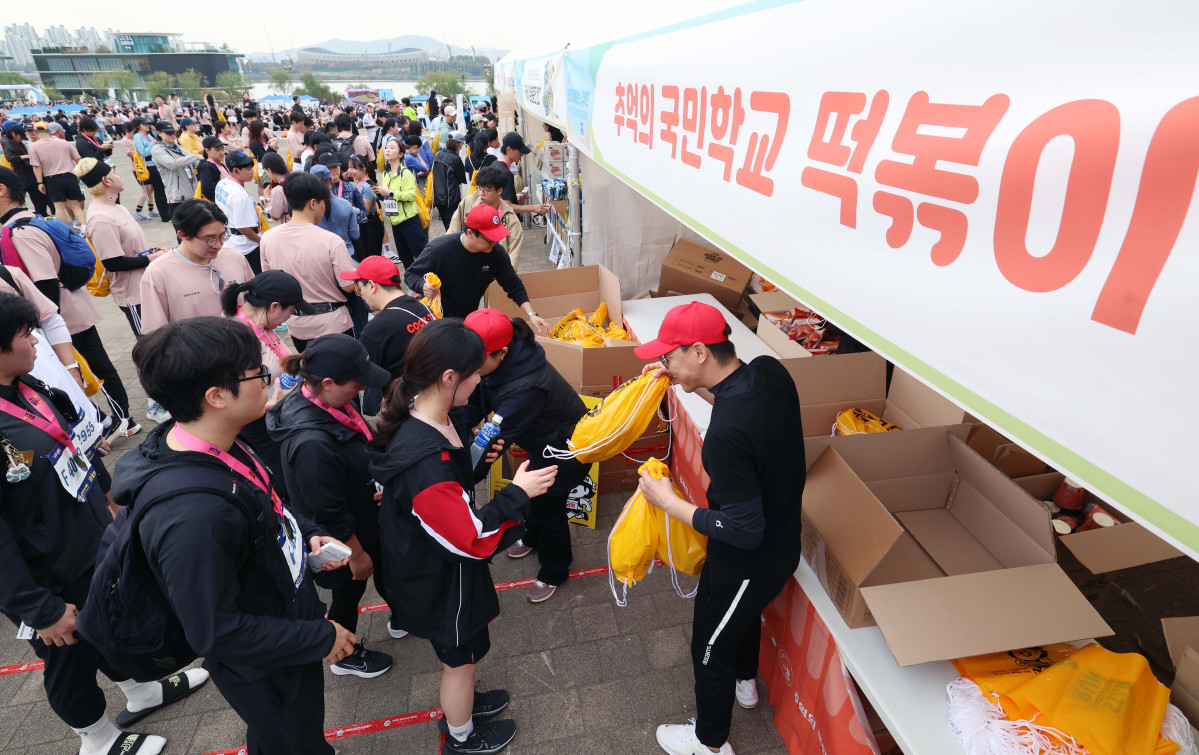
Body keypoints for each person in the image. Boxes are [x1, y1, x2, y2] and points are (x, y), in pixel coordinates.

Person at [121, 316, 356, 755]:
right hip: (264, 661)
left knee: (285, 733)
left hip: (281, 622)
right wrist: (320, 638)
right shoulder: (192, 516)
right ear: (216, 396)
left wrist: (308, 534)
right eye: (257, 373)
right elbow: (215, 631)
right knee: (292, 735)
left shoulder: (219, 439)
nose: (268, 380)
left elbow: (270, 504)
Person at [0, 293, 210, 755]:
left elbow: (72, 446)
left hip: (87, 539)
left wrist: (109, 497)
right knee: (68, 655)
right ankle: (95, 739)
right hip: (44, 573)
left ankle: (141, 691)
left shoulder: (27, 386)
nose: (36, 340)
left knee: (110, 622)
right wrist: (38, 610)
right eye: (24, 333)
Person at [371, 319, 558, 754]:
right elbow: (466, 537)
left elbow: (452, 488)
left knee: (468, 652)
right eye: (475, 372)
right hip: (439, 577)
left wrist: (476, 460)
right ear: (449, 377)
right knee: (458, 664)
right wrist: (517, 494)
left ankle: (466, 704)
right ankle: (461, 735)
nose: (481, 379)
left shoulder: (433, 415)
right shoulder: (425, 462)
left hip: (445, 571)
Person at [632, 302, 805, 755]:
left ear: (699, 351)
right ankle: (746, 682)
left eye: (670, 357)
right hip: (785, 543)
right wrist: (685, 383)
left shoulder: (726, 437)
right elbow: (739, 405)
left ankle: (709, 743)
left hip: (748, 561)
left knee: (707, 647)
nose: (665, 365)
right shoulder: (770, 373)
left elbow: (742, 529)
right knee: (742, 619)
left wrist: (669, 502)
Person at [268, 334, 395, 679]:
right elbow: (329, 511)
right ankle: (343, 654)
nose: (361, 390)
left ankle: (400, 613)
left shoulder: (323, 403)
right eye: (357, 383)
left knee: (378, 572)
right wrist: (356, 554)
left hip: (363, 516)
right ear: (327, 383)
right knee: (348, 590)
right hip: (343, 539)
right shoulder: (312, 444)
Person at [460, 309, 590, 603]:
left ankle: (555, 570)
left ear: (502, 352)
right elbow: (478, 401)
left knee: (548, 506)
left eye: (476, 359)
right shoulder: (499, 360)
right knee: (531, 496)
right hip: (540, 442)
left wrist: (463, 478)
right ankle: (532, 536)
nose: (469, 365)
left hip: (564, 452)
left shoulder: (525, 387)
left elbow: (493, 439)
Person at [0, 166, 136, 436]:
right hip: (71, 309)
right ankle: (113, 418)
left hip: (62, 317)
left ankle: (122, 419)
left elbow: (45, 281)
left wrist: (41, 327)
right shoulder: (31, 219)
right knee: (94, 366)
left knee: (93, 369)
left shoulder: (19, 232)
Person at [404, 204, 547, 330]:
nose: (494, 243)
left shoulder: (495, 252)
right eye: (489, 240)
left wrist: (531, 314)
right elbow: (411, 274)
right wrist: (423, 285)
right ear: (470, 233)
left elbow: (513, 285)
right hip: (436, 319)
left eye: (497, 239)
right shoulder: (439, 250)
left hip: (469, 316)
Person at [260, 172, 356, 352]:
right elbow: (348, 285)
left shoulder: (268, 238)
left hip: (298, 325)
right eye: (324, 203)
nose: (324, 208)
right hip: (334, 323)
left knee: (311, 374)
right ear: (313, 203)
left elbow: (270, 281)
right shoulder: (331, 241)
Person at [73, 158, 166, 339]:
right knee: (151, 346)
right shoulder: (100, 218)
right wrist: (151, 259)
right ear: (106, 181)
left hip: (147, 286)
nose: (119, 175)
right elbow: (113, 263)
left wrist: (154, 251)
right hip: (133, 294)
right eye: (114, 173)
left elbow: (132, 248)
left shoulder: (119, 208)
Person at [139, 199, 255, 337]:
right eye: (210, 239)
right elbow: (154, 334)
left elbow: (254, 302)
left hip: (244, 349)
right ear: (182, 235)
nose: (218, 245)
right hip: (197, 356)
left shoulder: (234, 257)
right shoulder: (158, 274)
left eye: (222, 236)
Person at [343, 255, 434, 411]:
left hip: (405, 405)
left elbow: (366, 376)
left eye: (359, 288)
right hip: (435, 392)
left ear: (371, 285)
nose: (361, 296)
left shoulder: (375, 330)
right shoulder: (424, 308)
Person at [448, 165, 524, 269]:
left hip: (494, 269)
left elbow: (514, 254)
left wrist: (506, 276)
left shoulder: (510, 218)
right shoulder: (468, 203)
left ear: (499, 191)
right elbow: (452, 233)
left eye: (487, 190)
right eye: (479, 188)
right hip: (466, 264)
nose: (481, 194)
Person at [375, 138, 423, 267]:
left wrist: (390, 193)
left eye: (392, 147)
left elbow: (412, 195)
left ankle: (428, 283)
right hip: (395, 222)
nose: (388, 150)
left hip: (409, 221)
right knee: (405, 258)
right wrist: (379, 192)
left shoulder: (405, 173)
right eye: (386, 147)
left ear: (401, 154)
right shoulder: (385, 173)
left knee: (420, 256)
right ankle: (412, 283)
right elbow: (386, 195)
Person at [214, 150, 264, 274]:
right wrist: (262, 242)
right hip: (247, 246)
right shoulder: (240, 196)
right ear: (236, 170)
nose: (252, 172)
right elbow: (243, 227)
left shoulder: (222, 183)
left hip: (232, 240)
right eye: (248, 169)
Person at [27, 122, 84, 226]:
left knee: (59, 207)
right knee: (76, 206)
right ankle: (85, 228)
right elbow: (78, 159)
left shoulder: (33, 147)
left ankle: (63, 231)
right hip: (70, 177)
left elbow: (36, 166)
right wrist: (79, 174)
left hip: (53, 179)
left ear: (35, 132)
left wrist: (40, 182)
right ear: (49, 131)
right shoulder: (63, 142)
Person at [149, 121, 200, 223]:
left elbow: (196, 163)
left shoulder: (179, 148)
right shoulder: (157, 149)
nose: (172, 135)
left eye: (174, 132)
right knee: (184, 234)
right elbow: (173, 164)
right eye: (169, 133)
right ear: (159, 133)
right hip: (177, 198)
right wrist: (196, 156)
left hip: (192, 195)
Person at [309, 163, 359, 259]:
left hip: (320, 257)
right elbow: (355, 235)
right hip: (347, 254)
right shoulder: (346, 204)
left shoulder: (308, 209)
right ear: (331, 180)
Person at [495, 132, 549, 219]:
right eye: (520, 151)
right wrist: (533, 208)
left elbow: (500, 199)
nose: (522, 155)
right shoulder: (506, 173)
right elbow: (507, 206)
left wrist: (514, 197)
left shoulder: (495, 164)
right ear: (508, 149)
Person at [2, 123, 49, 216]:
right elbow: (12, 159)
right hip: (22, 174)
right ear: (13, 134)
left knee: (38, 197)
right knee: (28, 197)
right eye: (20, 136)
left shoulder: (17, 142)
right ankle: (39, 214)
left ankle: (41, 214)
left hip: (27, 173)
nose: (22, 138)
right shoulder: (7, 142)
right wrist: (27, 156)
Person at [121, 120, 158, 220]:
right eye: (132, 132)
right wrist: (139, 149)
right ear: (127, 131)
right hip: (138, 168)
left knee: (151, 188)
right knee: (146, 189)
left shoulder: (141, 137)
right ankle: (138, 210)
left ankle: (151, 209)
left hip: (146, 165)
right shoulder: (125, 141)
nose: (134, 134)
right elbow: (131, 154)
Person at [432, 137, 466, 231]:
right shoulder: (455, 159)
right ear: (458, 145)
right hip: (451, 198)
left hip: (438, 197)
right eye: (461, 145)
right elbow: (462, 178)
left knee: (447, 226)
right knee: (454, 227)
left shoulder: (437, 155)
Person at [196, 135, 230, 202]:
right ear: (207, 150)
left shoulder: (219, 163)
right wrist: (222, 202)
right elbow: (207, 190)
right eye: (217, 150)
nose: (222, 152)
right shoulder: (206, 166)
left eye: (222, 149)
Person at [260, 152, 290, 224]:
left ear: (269, 170)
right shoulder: (295, 178)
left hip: (290, 225)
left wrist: (268, 197)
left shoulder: (278, 190)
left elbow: (275, 216)